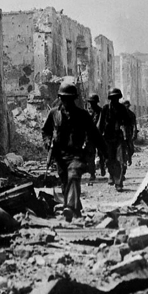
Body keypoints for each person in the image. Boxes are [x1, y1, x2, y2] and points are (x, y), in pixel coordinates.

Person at [42, 82, 106, 221]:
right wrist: (48, 144)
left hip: (76, 154)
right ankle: (75, 211)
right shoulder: (54, 114)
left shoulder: (82, 115)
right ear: (60, 98)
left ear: (74, 99)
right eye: (65, 99)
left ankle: (69, 208)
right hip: (60, 156)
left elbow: (95, 135)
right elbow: (46, 131)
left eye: (70, 99)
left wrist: (106, 154)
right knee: (65, 184)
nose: (67, 102)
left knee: (73, 176)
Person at [98, 87, 130, 191]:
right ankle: (111, 174)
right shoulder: (105, 109)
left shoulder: (122, 109)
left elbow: (127, 123)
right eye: (112, 98)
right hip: (107, 138)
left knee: (120, 160)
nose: (114, 100)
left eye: (116, 98)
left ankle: (118, 183)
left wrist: (127, 136)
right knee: (109, 160)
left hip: (118, 138)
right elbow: (100, 125)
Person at [86, 93, 105, 178]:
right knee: (91, 155)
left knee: (101, 153)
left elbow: (104, 124)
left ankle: (102, 167)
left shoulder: (101, 111)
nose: (92, 104)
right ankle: (92, 173)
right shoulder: (87, 112)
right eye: (91, 102)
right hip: (90, 136)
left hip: (99, 135)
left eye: (93, 102)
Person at [122, 99, 138, 166]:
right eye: (125, 106)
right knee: (122, 148)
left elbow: (134, 124)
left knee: (131, 149)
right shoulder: (120, 114)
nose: (126, 107)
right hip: (121, 133)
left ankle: (129, 157)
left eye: (127, 106)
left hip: (129, 133)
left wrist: (134, 133)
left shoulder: (131, 114)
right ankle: (124, 160)